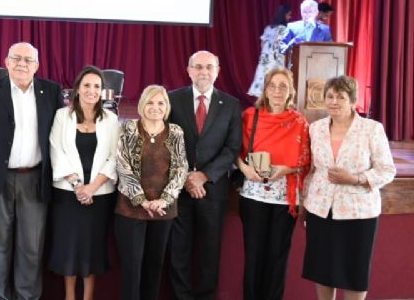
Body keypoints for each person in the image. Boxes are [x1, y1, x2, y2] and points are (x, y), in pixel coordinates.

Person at [0, 42, 64, 300]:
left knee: (31, 247)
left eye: (28, 60)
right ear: (6, 62)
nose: (21, 64)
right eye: (16, 58)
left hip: (35, 178)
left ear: (37, 66)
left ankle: (26, 297)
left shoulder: (51, 92)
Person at [301, 76, 396, 300]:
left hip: (358, 212)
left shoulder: (371, 129)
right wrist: (303, 201)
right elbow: (311, 169)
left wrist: (355, 178)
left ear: (352, 100)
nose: (334, 101)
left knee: (354, 272)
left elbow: (387, 170)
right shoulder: (315, 128)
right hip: (320, 209)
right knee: (323, 271)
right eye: (330, 96)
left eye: (341, 97)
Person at [167, 50, 242, 300]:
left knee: (210, 253)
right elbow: (165, 142)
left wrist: (204, 176)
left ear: (218, 71)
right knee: (179, 250)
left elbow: (232, 148)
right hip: (178, 188)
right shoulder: (172, 99)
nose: (204, 72)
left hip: (214, 189)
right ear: (188, 70)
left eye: (209, 67)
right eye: (198, 67)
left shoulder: (230, 104)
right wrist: (187, 176)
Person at [237, 67, 310, 300]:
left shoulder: (299, 121)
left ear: (290, 91)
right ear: (265, 89)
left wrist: (286, 169)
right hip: (253, 196)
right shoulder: (250, 115)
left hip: (284, 198)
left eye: (283, 86)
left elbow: (306, 160)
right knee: (254, 256)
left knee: (277, 256)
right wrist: (245, 168)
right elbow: (233, 150)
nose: (277, 91)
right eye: (273, 86)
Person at [48, 66, 120, 300]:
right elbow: (56, 151)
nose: (91, 90)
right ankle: (70, 297)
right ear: (77, 89)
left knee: (92, 249)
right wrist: (79, 186)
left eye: (97, 86)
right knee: (68, 249)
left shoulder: (111, 119)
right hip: (68, 194)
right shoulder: (62, 116)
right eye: (87, 85)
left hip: (99, 195)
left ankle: (87, 297)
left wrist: (92, 187)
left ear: (102, 91)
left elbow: (114, 157)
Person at [115, 84, 188, 300]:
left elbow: (180, 168)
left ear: (167, 107)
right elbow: (123, 166)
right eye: (150, 102)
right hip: (130, 210)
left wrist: (164, 200)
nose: (155, 107)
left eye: (160, 103)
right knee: (132, 267)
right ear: (141, 105)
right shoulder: (129, 128)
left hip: (163, 211)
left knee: (154, 267)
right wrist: (142, 200)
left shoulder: (175, 132)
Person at [247, 5, 291, 97]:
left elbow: (262, 44)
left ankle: (262, 103)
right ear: (284, 15)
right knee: (275, 79)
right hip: (276, 58)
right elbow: (284, 45)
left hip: (265, 58)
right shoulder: (284, 29)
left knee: (263, 78)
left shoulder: (268, 28)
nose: (290, 17)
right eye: (288, 15)